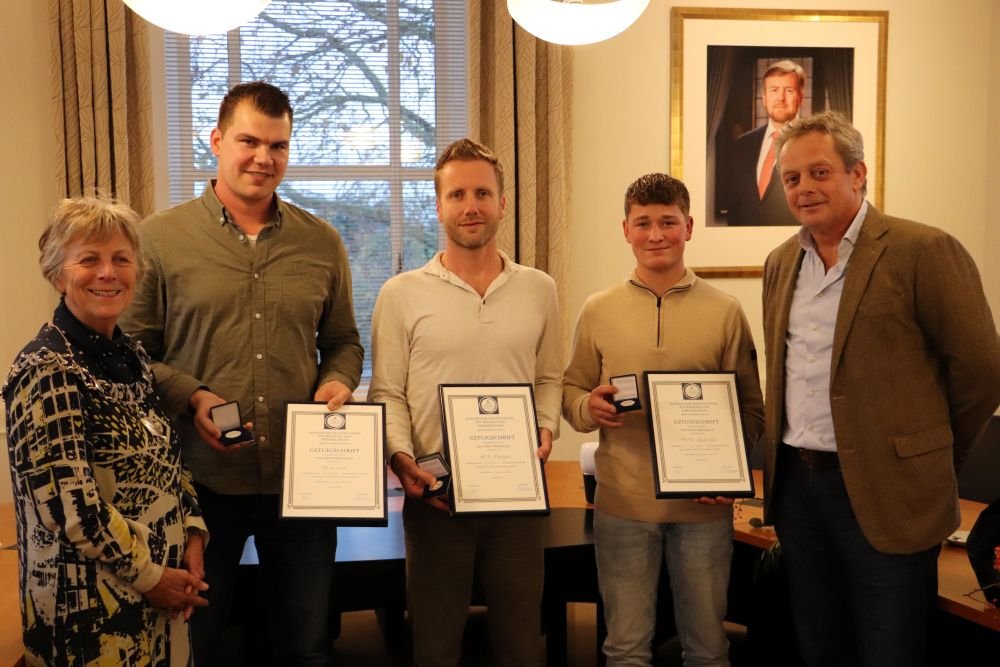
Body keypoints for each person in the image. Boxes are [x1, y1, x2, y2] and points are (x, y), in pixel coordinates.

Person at [120, 81, 364, 666]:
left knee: (306, 644)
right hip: (195, 484)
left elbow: (343, 342)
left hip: (300, 486)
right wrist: (191, 394)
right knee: (196, 644)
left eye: (278, 145)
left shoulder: (322, 242)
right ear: (217, 141)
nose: (263, 157)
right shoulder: (158, 239)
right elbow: (127, 353)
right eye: (249, 141)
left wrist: (338, 382)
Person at [761, 110, 1000, 666]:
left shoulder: (923, 250)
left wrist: (927, 450)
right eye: (792, 178)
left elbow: (982, 370)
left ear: (858, 173)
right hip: (798, 489)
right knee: (819, 646)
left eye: (819, 172)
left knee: (889, 650)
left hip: (888, 493)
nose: (804, 188)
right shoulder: (781, 263)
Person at [367, 138, 561, 666]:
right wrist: (402, 461)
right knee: (434, 643)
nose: (470, 205)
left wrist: (546, 430)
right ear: (439, 206)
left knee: (522, 643)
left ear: (503, 202)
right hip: (435, 496)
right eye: (456, 195)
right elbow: (387, 392)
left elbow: (548, 378)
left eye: (482, 193)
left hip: (518, 497)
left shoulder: (539, 288)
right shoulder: (400, 293)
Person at [563, 173, 764, 666]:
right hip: (622, 508)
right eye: (644, 223)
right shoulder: (598, 309)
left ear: (689, 227)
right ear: (625, 229)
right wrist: (590, 406)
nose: (656, 234)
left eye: (668, 222)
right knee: (625, 649)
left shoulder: (726, 312)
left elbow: (752, 409)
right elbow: (571, 391)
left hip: (703, 511)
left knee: (708, 649)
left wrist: (730, 469)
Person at [3, 196, 209, 666]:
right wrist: (151, 577)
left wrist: (194, 532)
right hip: (88, 615)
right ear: (58, 274)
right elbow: (69, 507)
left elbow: (169, 457)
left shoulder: (133, 356)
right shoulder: (45, 369)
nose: (107, 273)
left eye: (121, 259)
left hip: (163, 594)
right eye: (88, 259)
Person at [725, 60, 804, 227]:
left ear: (800, 97)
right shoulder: (742, 145)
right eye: (774, 90)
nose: (780, 98)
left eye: (789, 90)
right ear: (764, 97)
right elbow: (734, 206)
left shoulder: (813, 145)